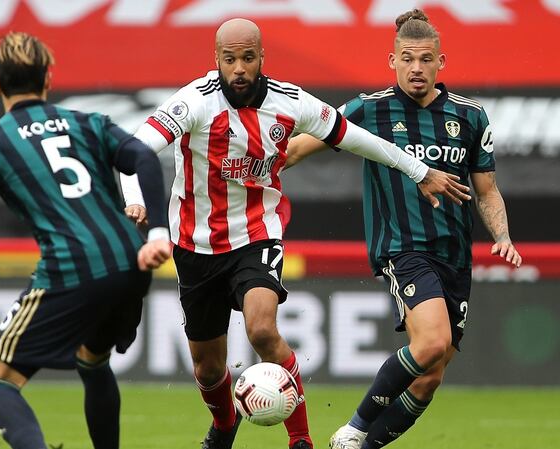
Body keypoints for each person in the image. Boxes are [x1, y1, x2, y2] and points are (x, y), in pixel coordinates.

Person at [119, 17, 469, 449]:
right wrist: (134, 197)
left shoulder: (291, 101)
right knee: (208, 368)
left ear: (262, 57)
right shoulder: (195, 101)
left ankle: (301, 440)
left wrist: (420, 171)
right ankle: (225, 426)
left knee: (262, 330)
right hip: (195, 243)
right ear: (217, 60)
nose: (239, 68)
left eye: (248, 58)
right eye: (230, 59)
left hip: (257, 233)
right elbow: (134, 150)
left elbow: (355, 138)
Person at [284, 9, 522, 449]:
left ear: (441, 62)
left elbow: (487, 191)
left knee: (430, 377)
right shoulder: (368, 109)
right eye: (408, 59)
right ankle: (353, 429)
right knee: (431, 342)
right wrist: (249, 168)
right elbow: (298, 148)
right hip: (403, 247)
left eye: (426, 59)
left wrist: (503, 237)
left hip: (456, 257)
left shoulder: (470, 117)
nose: (416, 68)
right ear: (392, 60)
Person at [0, 31, 171, 449]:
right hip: (131, 259)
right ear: (48, 79)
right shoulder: (88, 122)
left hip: (72, 267)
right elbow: (144, 157)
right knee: (92, 360)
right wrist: (160, 233)